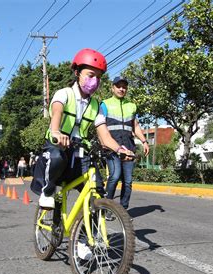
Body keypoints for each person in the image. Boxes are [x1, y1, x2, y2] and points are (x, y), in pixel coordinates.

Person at [31, 48, 133, 208]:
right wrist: (56, 132)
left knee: (98, 192)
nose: (95, 81)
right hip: (58, 146)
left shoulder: (96, 105)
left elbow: (105, 136)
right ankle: (47, 191)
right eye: (90, 75)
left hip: (81, 153)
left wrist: (120, 150)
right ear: (77, 73)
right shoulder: (64, 94)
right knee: (56, 157)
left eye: (98, 77)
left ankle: (88, 232)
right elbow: (57, 111)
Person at [101, 76, 150, 210]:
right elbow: (100, 126)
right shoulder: (104, 104)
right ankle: (107, 207)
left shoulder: (131, 105)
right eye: (118, 86)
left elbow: (135, 125)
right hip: (111, 148)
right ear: (113, 88)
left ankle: (123, 211)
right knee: (114, 177)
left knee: (127, 182)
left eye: (124, 87)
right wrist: (103, 142)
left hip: (128, 148)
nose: (121, 89)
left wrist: (144, 141)